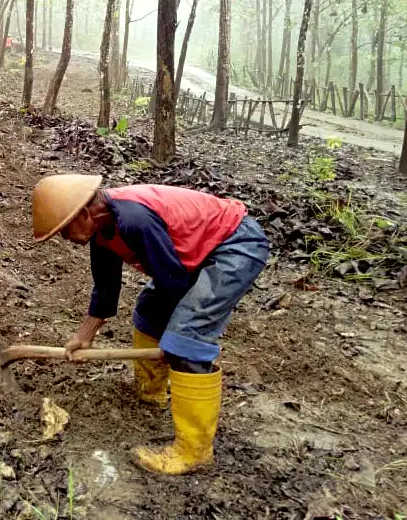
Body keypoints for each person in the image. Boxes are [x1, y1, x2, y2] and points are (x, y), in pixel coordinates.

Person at [32, 174, 270, 475]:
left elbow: (174, 284)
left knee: (188, 333)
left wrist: (178, 343)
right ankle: (151, 392)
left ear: (81, 214)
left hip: (235, 244)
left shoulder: (134, 220)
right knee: (150, 310)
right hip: (196, 252)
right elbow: (106, 288)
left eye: (64, 231)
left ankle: (194, 451)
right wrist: (84, 336)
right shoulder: (104, 227)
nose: (67, 240)